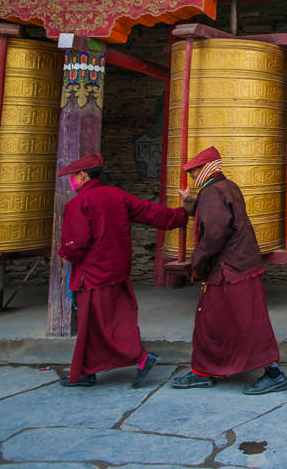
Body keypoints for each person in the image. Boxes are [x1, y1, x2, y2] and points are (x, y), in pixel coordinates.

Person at [57, 152, 192, 388]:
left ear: (83, 176)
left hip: (93, 275)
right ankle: (86, 372)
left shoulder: (78, 204)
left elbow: (75, 244)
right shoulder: (116, 195)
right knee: (103, 322)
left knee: (102, 325)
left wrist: (66, 254)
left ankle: (141, 358)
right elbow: (150, 212)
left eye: (74, 176)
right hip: (117, 270)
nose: (72, 181)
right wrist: (180, 215)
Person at [170, 147, 287, 395]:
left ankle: (273, 374)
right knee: (214, 322)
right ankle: (203, 371)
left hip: (229, 270)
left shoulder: (212, 192)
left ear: (206, 169)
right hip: (240, 266)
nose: (193, 177)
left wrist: (197, 262)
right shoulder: (227, 186)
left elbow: (215, 231)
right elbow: (217, 213)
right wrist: (191, 202)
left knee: (247, 323)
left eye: (194, 172)